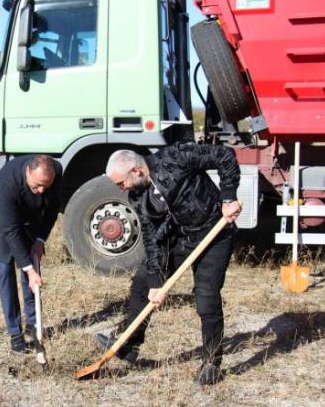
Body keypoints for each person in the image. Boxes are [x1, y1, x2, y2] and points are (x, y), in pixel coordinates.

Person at [95, 144, 241, 385]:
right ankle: (128, 347)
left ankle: (211, 364)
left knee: (206, 298)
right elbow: (152, 239)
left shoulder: (176, 157)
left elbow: (224, 155)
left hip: (216, 232)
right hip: (182, 236)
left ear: (137, 171)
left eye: (122, 182)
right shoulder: (138, 195)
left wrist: (228, 197)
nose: (122, 189)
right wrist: (155, 283)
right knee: (142, 283)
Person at [0, 155, 62, 353]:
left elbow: (52, 209)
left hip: (30, 214)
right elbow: (11, 230)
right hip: (1, 220)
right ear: (28, 172)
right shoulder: (7, 186)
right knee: (6, 268)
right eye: (37, 185)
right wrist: (28, 269)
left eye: (46, 185)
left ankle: (34, 324)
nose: (42, 190)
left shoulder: (56, 171)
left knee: (33, 270)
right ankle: (15, 332)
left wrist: (39, 240)